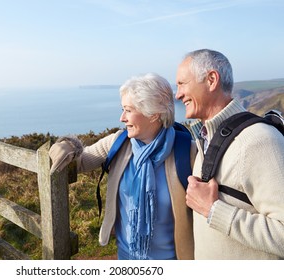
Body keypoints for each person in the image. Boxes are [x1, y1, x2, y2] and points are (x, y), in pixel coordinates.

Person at [49, 73, 195, 260]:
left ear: (153, 114)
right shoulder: (118, 143)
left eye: (128, 110)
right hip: (126, 257)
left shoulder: (188, 153)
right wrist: (66, 146)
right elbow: (81, 161)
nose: (122, 118)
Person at [175, 49, 284, 259]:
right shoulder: (206, 138)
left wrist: (214, 210)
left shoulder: (259, 141)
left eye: (182, 84)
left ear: (211, 79)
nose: (177, 94)